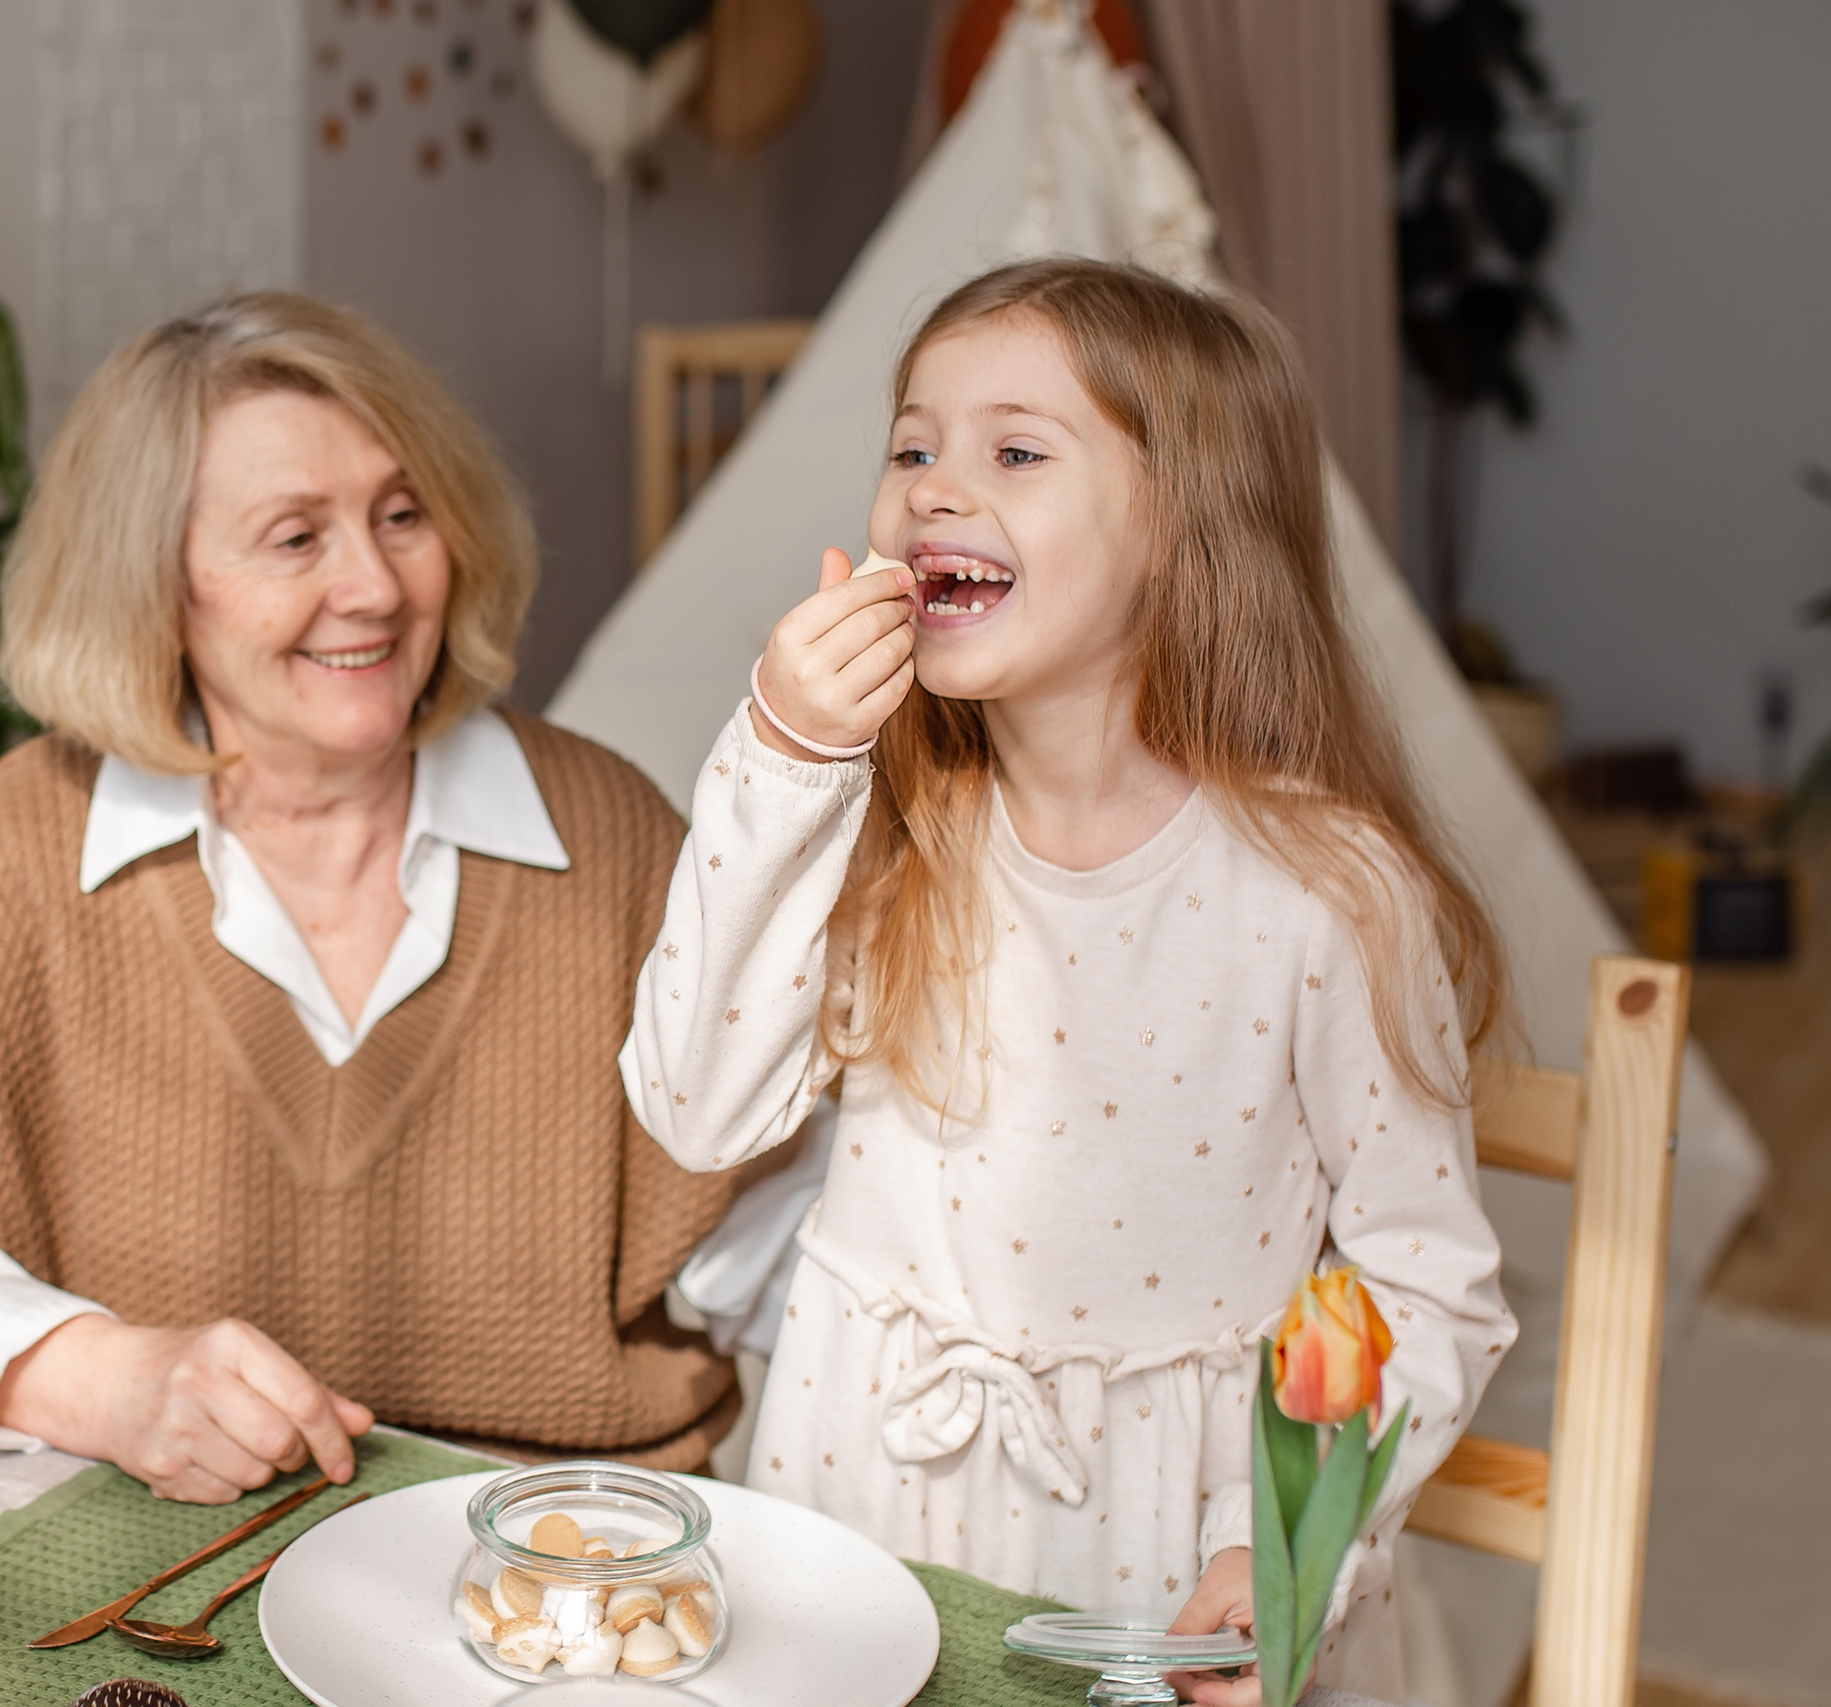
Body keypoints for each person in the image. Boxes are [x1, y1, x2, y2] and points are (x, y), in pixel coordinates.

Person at [0, 292, 771, 1502]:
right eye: (295, 537)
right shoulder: (30, 844)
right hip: (164, 1562)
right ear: (155, 586)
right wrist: (90, 1375)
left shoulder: (607, 832)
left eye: (402, 515)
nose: (372, 586)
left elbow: (784, 1240)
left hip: (566, 1567)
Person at [620, 258, 1516, 1700]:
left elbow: (1425, 1280)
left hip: (1170, 1554)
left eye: (1015, 451)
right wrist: (781, 763)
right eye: (912, 445)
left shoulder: (1326, 895)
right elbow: (693, 1111)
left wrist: (1281, 1552)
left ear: (1184, 525)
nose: (932, 487)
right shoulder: (876, 827)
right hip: (862, 1504)